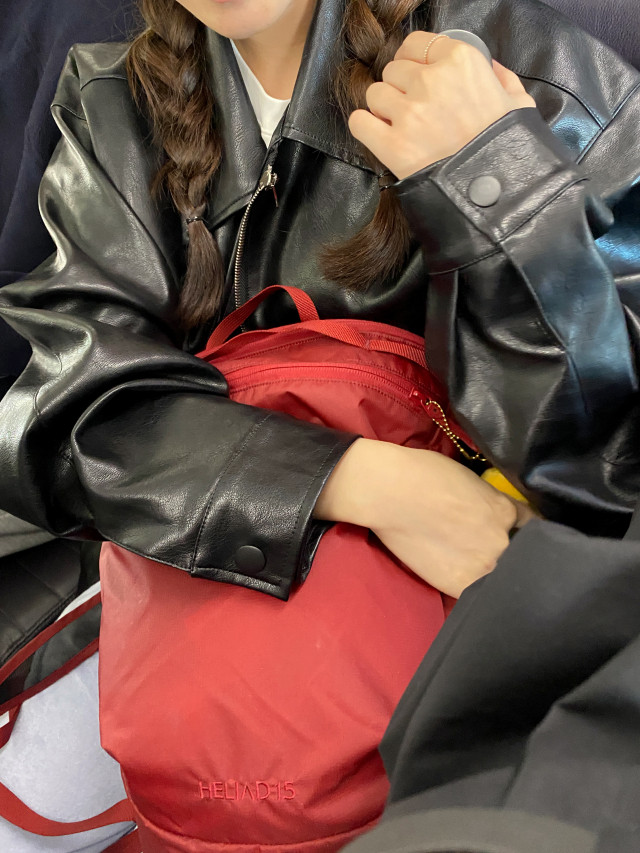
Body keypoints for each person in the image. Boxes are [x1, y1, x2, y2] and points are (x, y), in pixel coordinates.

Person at [0, 0, 639, 604]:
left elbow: (612, 475)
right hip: (204, 601)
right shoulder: (114, 98)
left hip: (487, 605)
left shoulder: (540, 76)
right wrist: (360, 482)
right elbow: (59, 417)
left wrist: (493, 180)